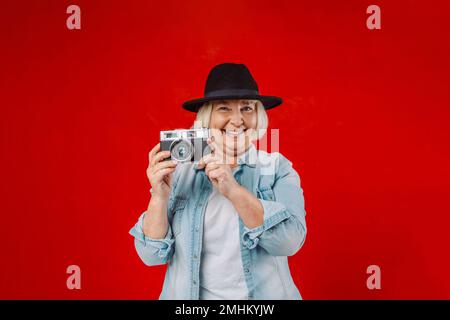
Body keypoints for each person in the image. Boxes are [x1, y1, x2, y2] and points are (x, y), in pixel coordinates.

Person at [129, 63, 307, 300]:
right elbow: (151, 255)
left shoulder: (276, 168)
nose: (237, 120)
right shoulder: (180, 171)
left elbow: (289, 242)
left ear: (259, 117)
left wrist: (232, 189)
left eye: (247, 108)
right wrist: (159, 195)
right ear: (207, 118)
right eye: (224, 108)